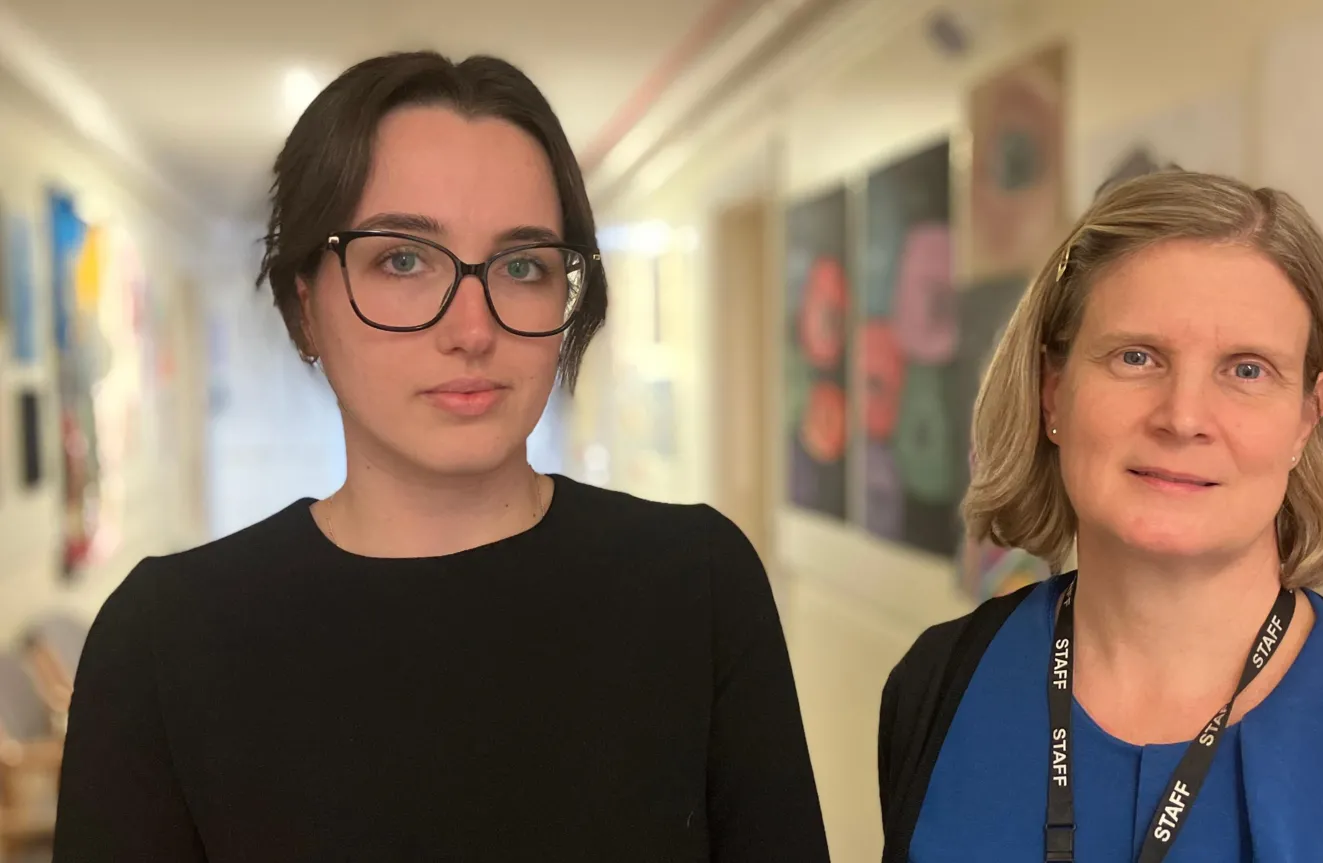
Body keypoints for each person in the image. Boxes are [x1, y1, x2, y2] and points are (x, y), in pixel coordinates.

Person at [54, 52, 830, 863]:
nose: (472, 327)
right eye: (402, 260)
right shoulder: (163, 643)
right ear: (305, 302)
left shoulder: (698, 585)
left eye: (522, 265)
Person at [877, 171, 1323, 862]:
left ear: (1308, 418)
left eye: (1246, 370)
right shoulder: (936, 683)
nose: (1183, 417)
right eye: (1136, 356)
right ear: (1053, 392)